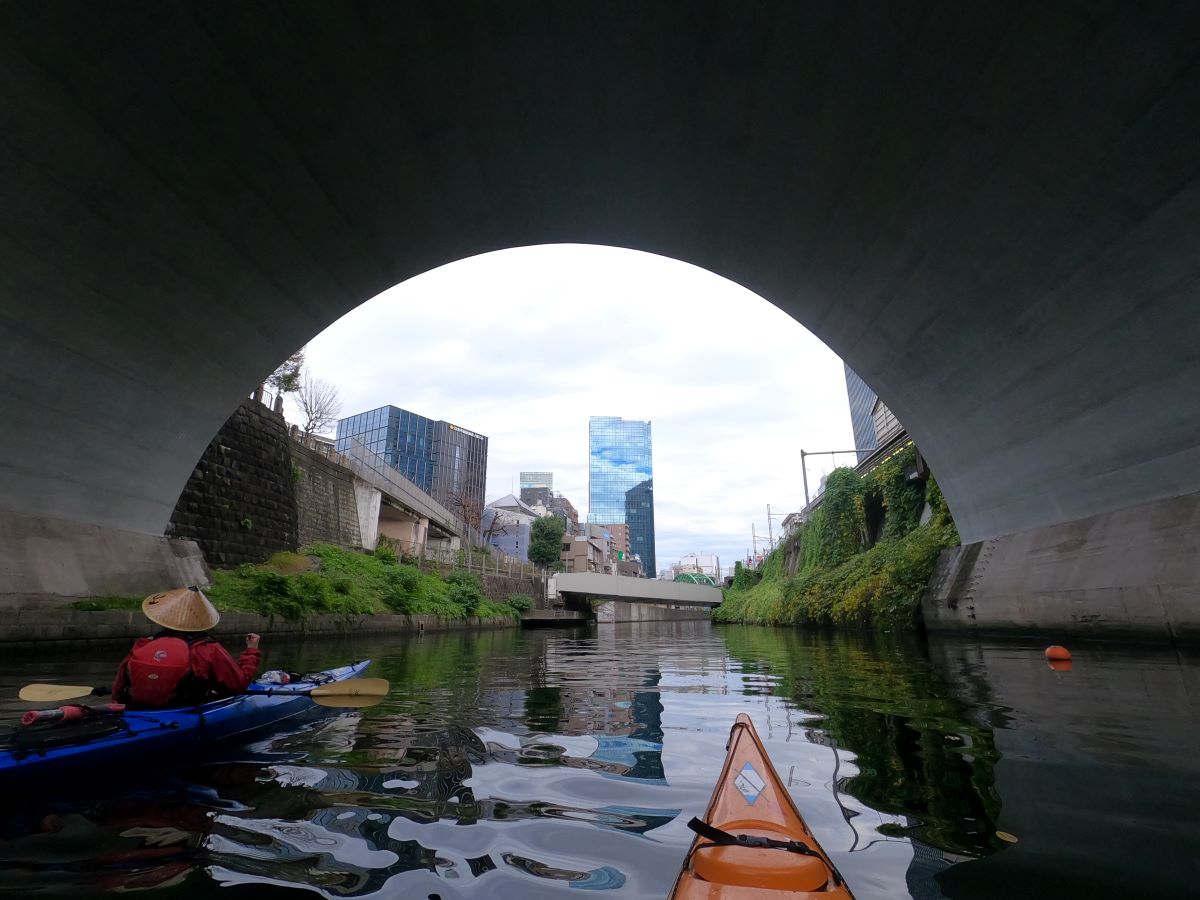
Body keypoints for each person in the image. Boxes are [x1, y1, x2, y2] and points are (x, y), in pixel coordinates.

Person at [112, 587, 261, 708]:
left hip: (135, 709)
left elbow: (119, 687)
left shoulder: (144, 644)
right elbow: (238, 685)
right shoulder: (207, 649)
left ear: (165, 619)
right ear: (200, 622)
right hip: (183, 711)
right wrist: (251, 650)